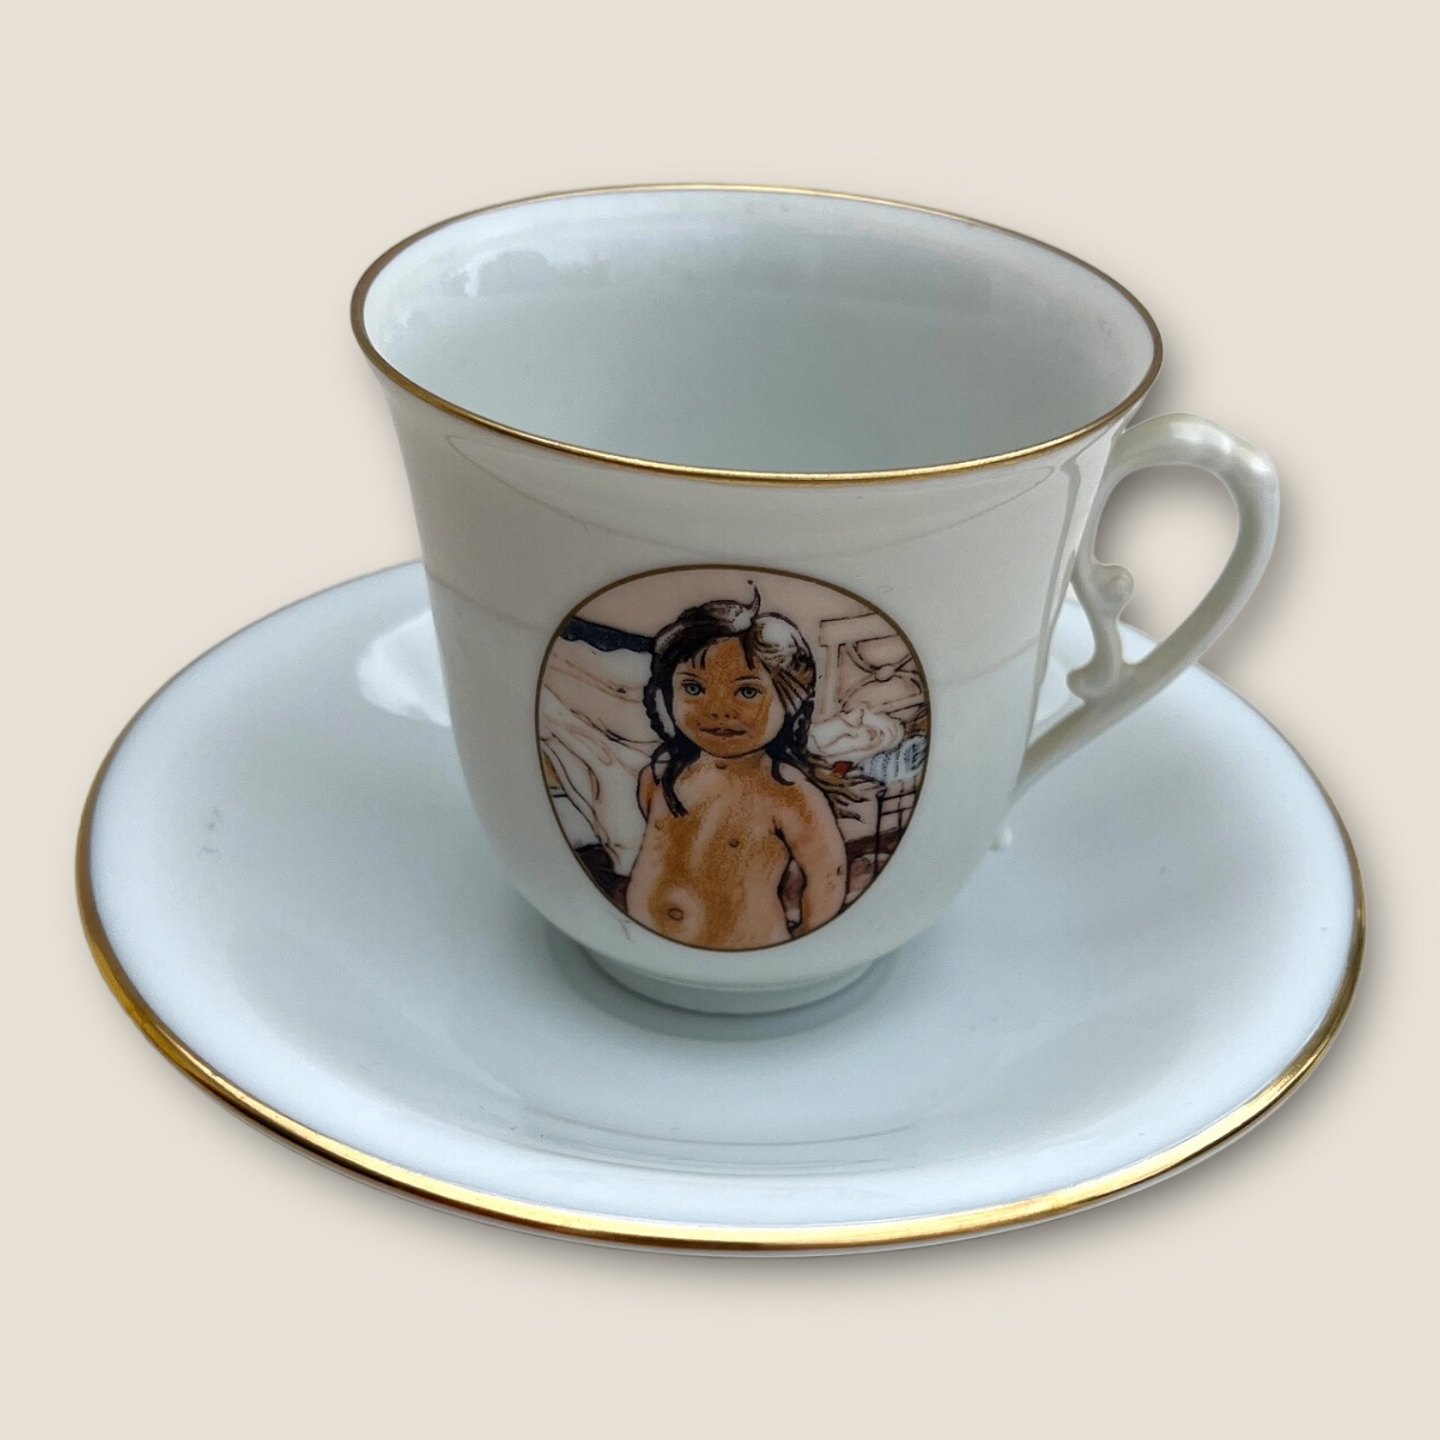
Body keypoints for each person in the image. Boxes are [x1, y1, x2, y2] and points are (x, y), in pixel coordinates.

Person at [625, 592, 849, 950]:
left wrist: (804, 950)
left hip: (754, 945)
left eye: (747, 691)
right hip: (644, 946)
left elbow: (827, 874)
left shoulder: (787, 793)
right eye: (694, 688)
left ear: (790, 700)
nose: (718, 709)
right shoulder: (659, 778)